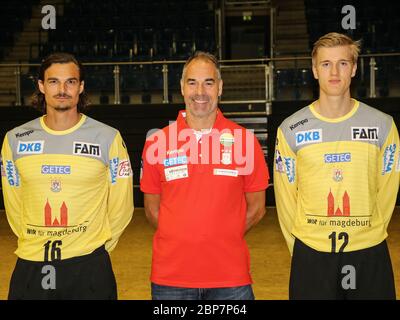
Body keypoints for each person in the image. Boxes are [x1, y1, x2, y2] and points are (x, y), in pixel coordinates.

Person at [274, 32, 400, 299]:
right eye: (326, 64)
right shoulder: (291, 129)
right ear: (314, 70)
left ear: (354, 68)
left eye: (342, 63)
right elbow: (285, 198)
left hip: (369, 253)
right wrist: (301, 245)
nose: (334, 72)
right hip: (311, 254)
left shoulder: (383, 125)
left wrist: (367, 231)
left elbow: (388, 190)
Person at [0, 52, 134, 299]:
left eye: (70, 81)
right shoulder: (15, 139)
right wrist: (35, 239)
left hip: (89, 266)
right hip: (31, 264)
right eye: (53, 81)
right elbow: (14, 202)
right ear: (41, 85)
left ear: (81, 87)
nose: (62, 89)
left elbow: (122, 204)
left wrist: (97, 248)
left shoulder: (108, 138)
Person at [140, 51, 269, 300]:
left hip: (230, 279)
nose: (200, 91)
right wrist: (185, 239)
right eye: (192, 82)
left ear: (220, 87)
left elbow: (257, 208)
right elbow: (152, 210)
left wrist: (220, 237)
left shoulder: (244, 141)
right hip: (171, 280)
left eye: (208, 82)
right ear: (182, 87)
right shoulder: (157, 141)